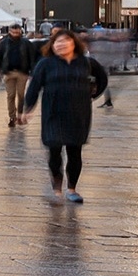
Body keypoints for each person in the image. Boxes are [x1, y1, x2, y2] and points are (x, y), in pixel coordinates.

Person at [27, 28, 107, 204]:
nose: (61, 45)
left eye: (65, 41)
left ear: (74, 43)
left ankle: (72, 189)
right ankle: (56, 188)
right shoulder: (45, 64)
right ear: (52, 45)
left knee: (74, 151)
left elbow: (102, 78)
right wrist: (27, 109)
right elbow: (34, 87)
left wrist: (92, 95)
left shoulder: (86, 63)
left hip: (78, 113)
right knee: (54, 150)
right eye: (58, 42)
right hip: (53, 113)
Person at [0, 26, 37, 126]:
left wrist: (32, 72)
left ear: (20, 32)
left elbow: (32, 58)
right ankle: (12, 117)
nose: (15, 34)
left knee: (21, 95)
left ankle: (19, 115)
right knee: (10, 95)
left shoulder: (26, 43)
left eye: (17, 32)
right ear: (10, 32)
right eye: (13, 32)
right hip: (8, 72)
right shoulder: (4, 43)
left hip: (22, 72)